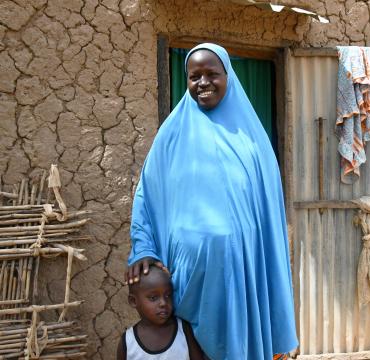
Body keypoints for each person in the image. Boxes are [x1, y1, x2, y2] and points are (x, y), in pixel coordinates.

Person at [125, 43, 298, 359]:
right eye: (194, 76)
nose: (202, 82)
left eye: (211, 74)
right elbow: (146, 196)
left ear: (228, 76)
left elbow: (266, 213)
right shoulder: (171, 135)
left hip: (241, 277)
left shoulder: (252, 140)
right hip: (185, 279)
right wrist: (143, 248)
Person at [117, 267, 204, 359]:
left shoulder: (184, 329)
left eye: (168, 295)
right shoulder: (128, 343)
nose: (163, 303)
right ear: (133, 301)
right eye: (153, 298)